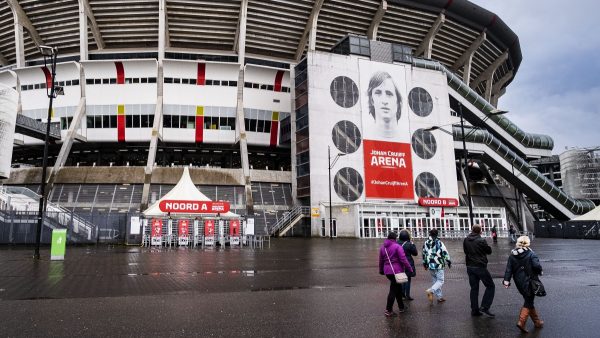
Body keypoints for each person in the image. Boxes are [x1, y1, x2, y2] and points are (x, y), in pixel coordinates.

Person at [503, 235, 544, 333]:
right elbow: (536, 266)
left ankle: (537, 322)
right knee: (529, 301)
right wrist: (540, 271)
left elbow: (509, 270)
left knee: (528, 300)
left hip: (519, 282)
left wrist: (506, 281)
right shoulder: (531, 254)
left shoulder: (512, 255)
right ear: (527, 243)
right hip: (531, 281)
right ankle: (521, 322)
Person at [463, 225, 495, 317]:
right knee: (490, 286)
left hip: (470, 266)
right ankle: (485, 306)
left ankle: (474, 310)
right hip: (480, 266)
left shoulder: (466, 239)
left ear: (472, 230)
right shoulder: (481, 240)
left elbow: (465, 251)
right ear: (480, 231)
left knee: (474, 288)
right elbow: (489, 251)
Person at [379, 232, 413, 317]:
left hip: (387, 271)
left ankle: (401, 307)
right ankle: (388, 310)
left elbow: (381, 261)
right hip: (396, 271)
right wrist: (410, 269)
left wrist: (381, 270)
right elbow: (403, 259)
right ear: (395, 238)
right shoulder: (397, 247)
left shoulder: (383, 247)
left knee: (398, 289)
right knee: (393, 290)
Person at [366, 71, 403, 139]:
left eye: (389, 94)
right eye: (378, 93)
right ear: (371, 100)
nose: (384, 101)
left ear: (398, 102)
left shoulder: (406, 138)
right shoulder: (365, 136)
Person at [422, 228, 451, 304]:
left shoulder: (426, 243)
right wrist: (448, 261)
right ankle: (431, 291)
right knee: (440, 281)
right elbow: (445, 252)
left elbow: (424, 253)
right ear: (437, 234)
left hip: (430, 264)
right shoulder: (439, 242)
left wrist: (424, 263)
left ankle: (439, 297)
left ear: (430, 234)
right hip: (438, 264)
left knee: (435, 281)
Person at [398, 229, 417, 301]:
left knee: (402, 279)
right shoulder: (409, 244)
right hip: (408, 263)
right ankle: (407, 295)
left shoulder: (396, 243)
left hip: (399, 263)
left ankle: (402, 294)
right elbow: (415, 253)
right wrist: (412, 244)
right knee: (408, 279)